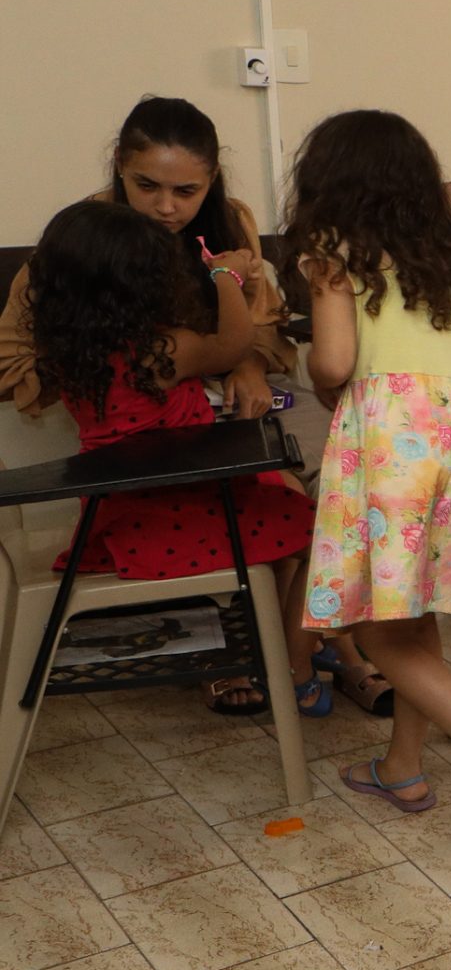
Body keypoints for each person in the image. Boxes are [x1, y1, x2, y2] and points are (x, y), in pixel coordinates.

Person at [286, 109, 451, 836]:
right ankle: (403, 766)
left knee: (378, 630)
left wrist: (323, 376)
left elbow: (335, 362)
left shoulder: (334, 252)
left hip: (394, 441)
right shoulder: (444, 257)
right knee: (411, 610)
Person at [23, 200, 323, 714]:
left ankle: (266, 649)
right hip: (182, 513)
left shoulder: (71, 354)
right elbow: (233, 344)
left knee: (284, 497)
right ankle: (293, 662)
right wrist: (226, 275)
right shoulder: (166, 349)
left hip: (118, 519)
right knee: (320, 535)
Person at [1, 96, 294, 423]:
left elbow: (262, 321)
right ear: (119, 164)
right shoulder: (84, 238)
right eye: (147, 185)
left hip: (213, 409)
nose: (166, 207)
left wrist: (249, 366)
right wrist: (112, 376)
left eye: (186, 192)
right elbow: (12, 356)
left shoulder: (231, 220)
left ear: (212, 179)